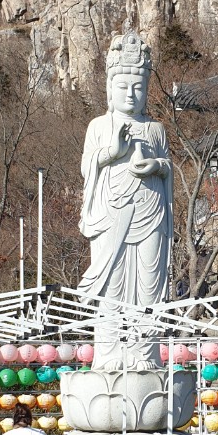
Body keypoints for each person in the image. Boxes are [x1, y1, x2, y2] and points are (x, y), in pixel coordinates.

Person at [78, 31, 172, 370]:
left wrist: (157, 166)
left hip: (151, 213)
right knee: (112, 286)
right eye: (123, 87)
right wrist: (112, 151)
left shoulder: (156, 129)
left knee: (149, 285)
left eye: (138, 87)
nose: (131, 94)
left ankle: (146, 355)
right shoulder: (98, 126)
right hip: (111, 214)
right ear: (109, 89)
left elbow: (168, 167)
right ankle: (109, 355)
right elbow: (87, 167)